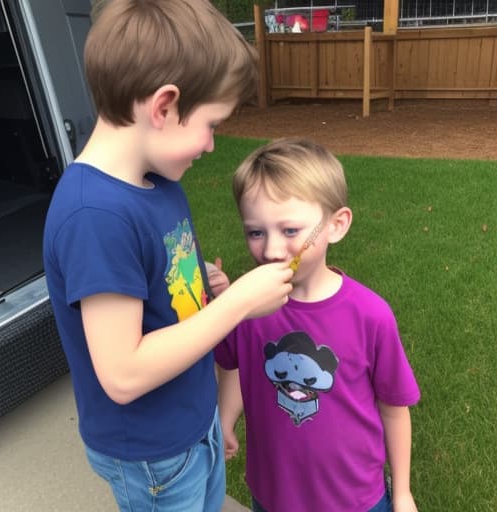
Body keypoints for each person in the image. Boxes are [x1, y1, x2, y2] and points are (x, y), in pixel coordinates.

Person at [42, 2, 294, 511]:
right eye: (211, 124)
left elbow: (147, 273)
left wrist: (197, 281)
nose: (210, 145)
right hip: (152, 453)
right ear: (164, 107)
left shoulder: (153, 181)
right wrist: (239, 303)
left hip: (188, 419)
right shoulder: (95, 216)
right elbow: (123, 374)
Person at [214, 138, 421, 512]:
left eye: (290, 231)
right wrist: (225, 418)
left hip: (356, 499)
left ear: (336, 225)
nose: (272, 250)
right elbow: (236, 365)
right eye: (255, 232)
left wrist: (403, 492)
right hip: (274, 494)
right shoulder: (247, 304)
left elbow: (394, 408)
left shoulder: (369, 315)